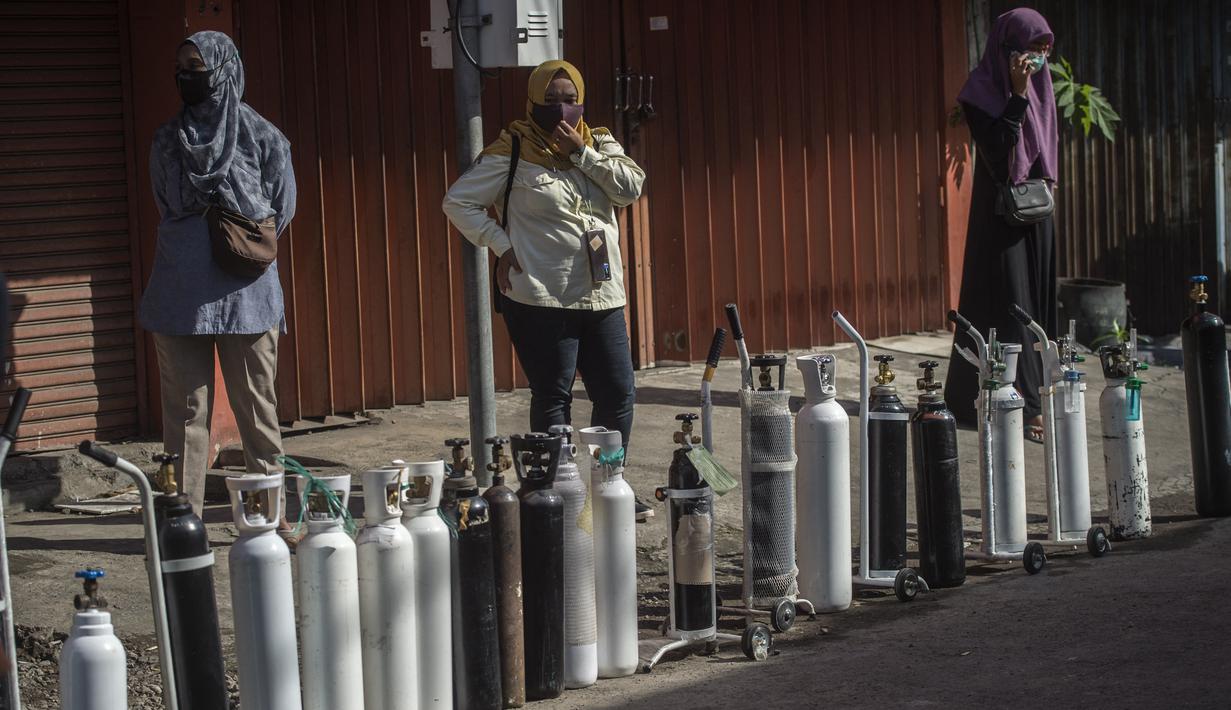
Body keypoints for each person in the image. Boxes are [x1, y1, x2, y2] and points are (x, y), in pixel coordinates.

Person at [443, 60, 652, 518]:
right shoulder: (513, 148)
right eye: (550, 99)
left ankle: (608, 485)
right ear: (533, 100)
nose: (561, 108)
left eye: (570, 98)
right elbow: (458, 201)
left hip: (602, 294)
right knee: (554, 397)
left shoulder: (600, 142)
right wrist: (501, 245)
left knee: (617, 394)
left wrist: (582, 153)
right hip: (542, 295)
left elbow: (630, 188)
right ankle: (557, 493)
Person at [140, 31, 296, 532]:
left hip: (246, 295)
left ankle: (268, 519)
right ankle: (182, 523)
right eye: (182, 66)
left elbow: (281, 209)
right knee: (185, 416)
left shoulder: (262, 137)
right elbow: (164, 203)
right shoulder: (167, 139)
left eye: (198, 66)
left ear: (224, 69)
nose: (187, 76)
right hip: (180, 294)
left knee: (256, 410)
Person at [944, 8, 1058, 441]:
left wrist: (1029, 91)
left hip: (1038, 211)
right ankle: (1022, 404)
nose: (1038, 59)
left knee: (1038, 307)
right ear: (1007, 49)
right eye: (1031, 49)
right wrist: (1017, 93)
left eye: (1044, 50)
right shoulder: (980, 92)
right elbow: (998, 154)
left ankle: (1041, 392)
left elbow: (1046, 154)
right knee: (1010, 305)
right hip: (1000, 214)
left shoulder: (1044, 91)